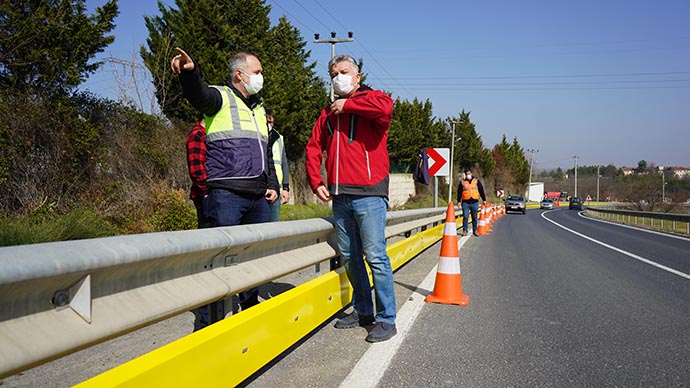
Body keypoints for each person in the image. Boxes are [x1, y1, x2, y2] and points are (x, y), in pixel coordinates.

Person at [172, 48, 279, 328]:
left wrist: (272, 185)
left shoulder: (258, 108)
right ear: (239, 74)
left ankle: (249, 311)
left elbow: (267, 152)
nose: (261, 77)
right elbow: (198, 94)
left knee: (252, 259)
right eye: (257, 72)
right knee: (220, 258)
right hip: (227, 195)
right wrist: (189, 72)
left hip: (257, 197)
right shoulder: (220, 98)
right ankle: (209, 321)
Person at [305, 54, 397, 343]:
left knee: (376, 256)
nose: (338, 77)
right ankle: (363, 309)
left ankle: (386, 318)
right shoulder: (328, 113)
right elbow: (313, 147)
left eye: (344, 71)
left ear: (357, 77)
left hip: (370, 194)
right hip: (340, 195)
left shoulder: (372, 99)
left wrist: (349, 104)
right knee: (349, 256)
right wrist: (315, 180)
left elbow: (387, 108)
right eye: (333, 73)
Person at [266, 109, 290, 222]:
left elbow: (284, 163)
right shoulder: (257, 134)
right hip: (260, 186)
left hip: (276, 188)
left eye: (271, 118)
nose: (270, 120)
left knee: (273, 224)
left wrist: (286, 188)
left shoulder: (279, 138)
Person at [457, 167, 487, 236]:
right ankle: (465, 230)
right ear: (465, 174)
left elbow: (481, 190)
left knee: (474, 217)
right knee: (465, 216)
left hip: (474, 202)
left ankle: (475, 230)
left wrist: (484, 199)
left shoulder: (476, 181)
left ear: (471, 173)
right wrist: (459, 201)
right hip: (465, 202)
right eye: (467, 174)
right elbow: (459, 192)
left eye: (469, 173)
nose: (468, 175)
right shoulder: (463, 182)